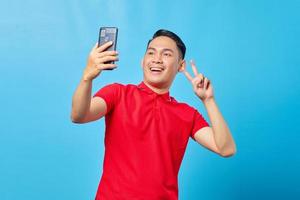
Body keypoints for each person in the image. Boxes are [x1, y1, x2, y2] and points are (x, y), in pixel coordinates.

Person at [71, 29, 236, 200]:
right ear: (142, 61)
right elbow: (79, 115)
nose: (156, 59)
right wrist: (87, 77)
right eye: (151, 53)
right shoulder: (117, 93)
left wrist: (208, 100)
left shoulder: (187, 114)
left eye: (166, 54)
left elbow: (226, 148)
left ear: (180, 66)